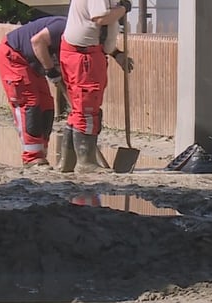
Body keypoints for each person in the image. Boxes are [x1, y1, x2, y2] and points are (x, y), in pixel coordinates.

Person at [58, 0, 133, 174]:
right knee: (87, 108)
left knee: (79, 109)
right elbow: (101, 18)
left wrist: (116, 53)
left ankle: (67, 163)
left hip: (86, 52)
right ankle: (86, 163)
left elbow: (100, 28)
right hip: (83, 56)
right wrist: (124, 8)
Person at [0, 16, 67, 168]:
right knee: (29, 103)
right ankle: (32, 157)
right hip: (15, 55)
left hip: (34, 62)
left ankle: (42, 152)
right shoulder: (62, 26)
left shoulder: (80, 37)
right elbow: (37, 41)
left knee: (47, 105)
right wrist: (50, 70)